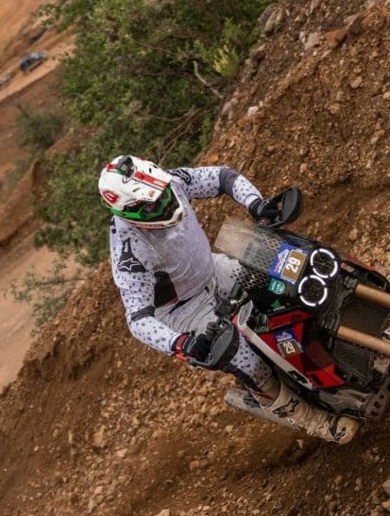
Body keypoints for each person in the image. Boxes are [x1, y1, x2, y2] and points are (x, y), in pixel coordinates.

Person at [99, 155, 359, 445]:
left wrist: (256, 204)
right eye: (152, 205)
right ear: (129, 213)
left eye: (163, 194)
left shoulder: (170, 182)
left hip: (213, 269)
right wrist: (180, 344)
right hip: (184, 311)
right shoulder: (129, 253)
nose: (164, 203)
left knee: (285, 269)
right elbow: (137, 318)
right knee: (246, 361)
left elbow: (223, 177)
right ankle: (315, 421)